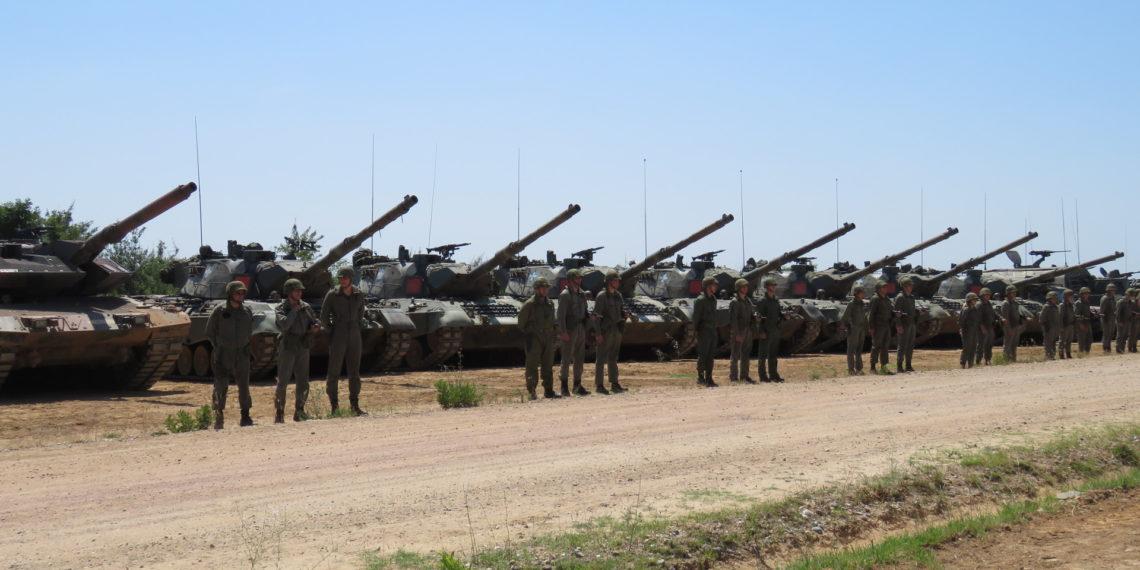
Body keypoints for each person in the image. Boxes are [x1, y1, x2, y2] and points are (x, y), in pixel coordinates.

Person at [206, 280, 254, 429]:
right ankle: (218, 414)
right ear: (230, 294)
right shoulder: (219, 311)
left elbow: (250, 330)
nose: (240, 295)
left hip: (242, 353)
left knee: (244, 385)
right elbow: (209, 331)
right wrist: (219, 346)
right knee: (221, 385)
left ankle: (245, 415)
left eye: (242, 293)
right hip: (224, 353)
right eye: (237, 293)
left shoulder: (247, 311)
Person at [321, 266, 367, 415]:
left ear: (351, 278)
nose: (342, 280)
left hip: (354, 333)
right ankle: (334, 407)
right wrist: (331, 331)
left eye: (345, 278)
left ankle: (355, 406)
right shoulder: (332, 295)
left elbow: (361, 313)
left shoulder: (358, 294)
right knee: (334, 371)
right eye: (340, 278)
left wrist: (356, 327)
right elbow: (324, 316)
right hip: (338, 333)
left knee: (354, 372)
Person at [274, 278, 320, 422]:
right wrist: (294, 311)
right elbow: (285, 325)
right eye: (296, 290)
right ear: (289, 292)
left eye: (300, 290)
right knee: (283, 381)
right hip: (288, 345)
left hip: (303, 345)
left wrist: (315, 326)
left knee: (303, 381)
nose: (299, 293)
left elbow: (314, 320)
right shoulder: (281, 308)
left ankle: (300, 411)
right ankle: (280, 413)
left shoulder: (306, 306)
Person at [518, 277, 559, 400]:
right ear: (536, 289)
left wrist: (554, 334)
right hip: (534, 338)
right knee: (532, 365)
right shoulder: (529, 304)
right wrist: (531, 333)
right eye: (543, 288)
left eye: (546, 288)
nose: (545, 290)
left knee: (548, 364)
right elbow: (521, 323)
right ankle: (532, 391)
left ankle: (548, 390)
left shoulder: (550, 303)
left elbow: (553, 321)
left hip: (548, 337)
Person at [592, 270, 628, 394]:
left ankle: (614, 383)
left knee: (613, 357)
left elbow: (622, 311)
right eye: (615, 280)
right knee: (601, 359)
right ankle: (599, 385)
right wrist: (598, 334)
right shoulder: (601, 296)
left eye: (618, 281)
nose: (618, 283)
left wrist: (625, 315)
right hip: (605, 331)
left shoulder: (618, 295)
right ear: (609, 282)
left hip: (616, 330)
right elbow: (596, 317)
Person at [556, 269, 590, 396]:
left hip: (581, 328)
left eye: (580, 278)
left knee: (579, 358)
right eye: (577, 278)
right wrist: (563, 331)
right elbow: (560, 316)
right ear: (570, 280)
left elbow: (585, 310)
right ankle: (564, 387)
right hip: (570, 330)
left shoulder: (582, 294)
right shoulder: (565, 295)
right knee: (566, 358)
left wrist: (589, 318)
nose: (579, 280)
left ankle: (577, 385)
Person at [692, 276, 720, 386]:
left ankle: (709, 378)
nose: (716, 287)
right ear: (708, 286)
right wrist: (695, 332)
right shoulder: (700, 300)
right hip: (703, 331)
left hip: (712, 331)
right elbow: (696, 318)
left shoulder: (713, 299)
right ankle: (700, 377)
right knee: (703, 355)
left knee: (711, 356)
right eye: (714, 285)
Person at [728, 278, 757, 384]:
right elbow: (733, 320)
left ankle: (744, 376)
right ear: (738, 288)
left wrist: (755, 317)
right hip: (739, 331)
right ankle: (733, 377)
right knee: (735, 355)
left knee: (746, 354)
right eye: (743, 287)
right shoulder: (735, 302)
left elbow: (751, 314)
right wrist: (736, 334)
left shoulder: (747, 300)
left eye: (746, 286)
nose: (746, 288)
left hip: (747, 330)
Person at [756, 277, 784, 382]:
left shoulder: (776, 300)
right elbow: (758, 318)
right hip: (766, 330)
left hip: (775, 330)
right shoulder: (762, 301)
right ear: (767, 287)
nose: (774, 287)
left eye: (774, 285)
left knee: (773, 355)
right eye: (772, 285)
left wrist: (785, 316)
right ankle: (763, 376)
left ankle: (774, 375)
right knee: (763, 355)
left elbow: (779, 314)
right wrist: (761, 331)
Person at [840, 285, 868, 375]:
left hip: (861, 329)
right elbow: (845, 317)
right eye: (862, 292)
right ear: (857, 293)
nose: (864, 294)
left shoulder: (862, 303)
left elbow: (864, 317)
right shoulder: (851, 304)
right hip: (853, 329)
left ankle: (859, 369)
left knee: (859, 350)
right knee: (851, 350)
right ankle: (851, 369)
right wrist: (844, 327)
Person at [867, 281, 894, 373]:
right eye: (883, 287)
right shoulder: (875, 299)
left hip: (886, 325)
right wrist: (871, 327)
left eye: (886, 287)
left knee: (885, 347)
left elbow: (891, 310)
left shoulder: (887, 299)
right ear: (878, 289)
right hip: (878, 326)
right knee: (876, 346)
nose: (885, 288)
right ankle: (872, 368)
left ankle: (884, 367)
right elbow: (871, 314)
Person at [894, 278, 918, 373]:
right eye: (909, 285)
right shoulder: (900, 297)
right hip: (904, 325)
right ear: (904, 286)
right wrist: (898, 325)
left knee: (910, 345)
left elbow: (912, 311)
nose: (911, 287)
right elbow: (896, 313)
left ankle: (908, 365)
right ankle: (899, 366)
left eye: (911, 285)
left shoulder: (911, 297)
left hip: (911, 324)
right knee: (902, 346)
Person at [975, 288, 997, 366]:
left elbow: (993, 313)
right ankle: (978, 361)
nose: (988, 296)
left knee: (989, 344)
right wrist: (982, 327)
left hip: (989, 326)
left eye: (988, 295)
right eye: (986, 295)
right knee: (981, 344)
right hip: (982, 328)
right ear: (982, 295)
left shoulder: (989, 304)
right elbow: (978, 317)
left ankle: (988, 359)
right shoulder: (979, 304)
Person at [959, 292, 981, 368]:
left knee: (973, 347)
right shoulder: (966, 309)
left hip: (974, 330)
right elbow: (962, 321)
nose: (975, 301)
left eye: (976, 300)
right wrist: (963, 330)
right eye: (974, 300)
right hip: (967, 331)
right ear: (969, 300)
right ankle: (963, 363)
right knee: (967, 347)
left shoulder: (974, 309)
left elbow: (977, 319)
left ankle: (970, 363)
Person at [1000, 286, 1022, 362]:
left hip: (1015, 326)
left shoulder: (1015, 303)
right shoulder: (1005, 304)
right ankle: (1006, 360)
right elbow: (1005, 317)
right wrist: (1008, 328)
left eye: (1015, 292)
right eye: (1013, 292)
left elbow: (1017, 314)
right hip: (1009, 327)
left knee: (1014, 344)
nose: (1014, 294)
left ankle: (1013, 359)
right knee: (1008, 344)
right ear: (1008, 293)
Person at [1040, 291, 1060, 360]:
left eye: (1055, 298)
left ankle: (1052, 356)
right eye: (1053, 298)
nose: (1055, 299)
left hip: (1055, 328)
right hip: (1048, 328)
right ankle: (1048, 356)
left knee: (1053, 342)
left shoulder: (1056, 307)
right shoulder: (1046, 306)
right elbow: (1041, 318)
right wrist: (1045, 326)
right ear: (1049, 299)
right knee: (1048, 342)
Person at [1074, 287, 1094, 354]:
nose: (1087, 295)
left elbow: (1087, 311)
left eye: (1087, 293)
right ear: (1081, 294)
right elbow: (1076, 315)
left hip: (1087, 322)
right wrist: (1080, 324)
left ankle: (1087, 353)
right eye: (1085, 293)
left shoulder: (1087, 302)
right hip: (1081, 323)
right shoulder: (1078, 303)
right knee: (1082, 340)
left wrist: (1092, 314)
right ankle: (1081, 354)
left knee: (1089, 339)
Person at [1100, 283, 1118, 353]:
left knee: (1111, 334)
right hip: (1106, 319)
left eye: (1114, 290)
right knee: (1106, 334)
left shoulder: (1113, 298)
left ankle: (1108, 347)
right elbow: (1101, 311)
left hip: (1112, 319)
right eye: (1113, 290)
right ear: (1109, 290)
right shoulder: (1105, 298)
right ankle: (1105, 348)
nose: (1114, 291)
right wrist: (1104, 320)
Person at [1115, 287, 1133, 354]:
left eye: (1131, 295)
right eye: (1130, 295)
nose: (1131, 297)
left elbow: (1130, 311)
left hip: (1127, 321)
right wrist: (1119, 321)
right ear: (1126, 294)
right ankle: (1118, 348)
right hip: (1121, 321)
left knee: (1125, 335)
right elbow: (1118, 313)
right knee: (1120, 335)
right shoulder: (1121, 302)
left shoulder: (1130, 302)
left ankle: (1122, 348)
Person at [1059, 289, 1075, 359]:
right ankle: (1061, 354)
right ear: (1066, 296)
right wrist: (1061, 327)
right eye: (1070, 296)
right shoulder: (1062, 305)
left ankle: (1068, 353)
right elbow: (1060, 317)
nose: (1072, 297)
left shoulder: (1071, 305)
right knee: (1062, 341)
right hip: (1065, 326)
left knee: (1069, 341)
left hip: (1070, 325)